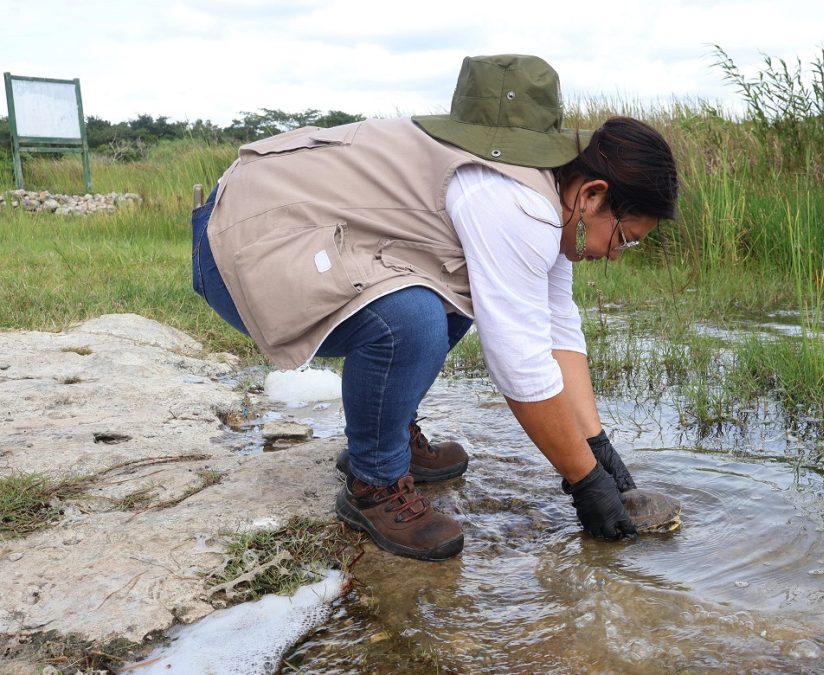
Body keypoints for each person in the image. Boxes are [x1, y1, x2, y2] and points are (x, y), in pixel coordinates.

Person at [191, 54, 678, 561]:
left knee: (462, 295)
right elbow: (521, 365)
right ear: (594, 194)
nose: (616, 254)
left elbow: (556, 330)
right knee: (412, 320)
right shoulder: (518, 202)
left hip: (291, 238)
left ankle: (389, 431)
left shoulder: (555, 194)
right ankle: (373, 483)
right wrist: (585, 483)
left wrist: (599, 450)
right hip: (238, 248)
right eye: (625, 238)